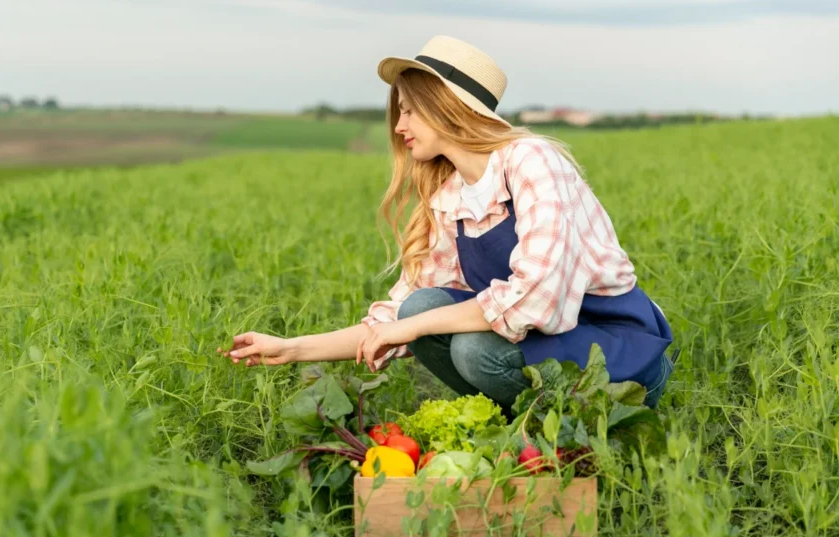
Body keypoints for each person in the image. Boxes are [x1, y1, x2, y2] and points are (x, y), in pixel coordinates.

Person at [218, 35, 676, 414]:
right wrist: (292, 348)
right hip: (548, 352)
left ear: (446, 107)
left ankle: (579, 427)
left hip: (619, 360)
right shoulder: (451, 196)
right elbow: (395, 318)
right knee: (420, 307)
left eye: (410, 110)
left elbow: (539, 301)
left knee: (468, 347)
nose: (399, 126)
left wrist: (412, 328)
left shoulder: (533, 161)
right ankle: (523, 433)